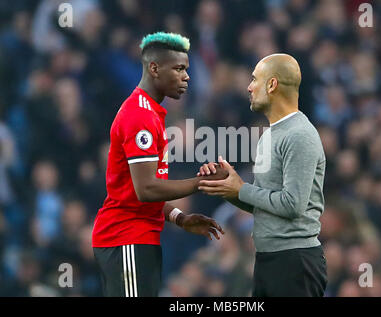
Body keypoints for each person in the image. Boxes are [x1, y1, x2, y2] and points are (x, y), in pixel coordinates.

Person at [92, 32, 227, 297]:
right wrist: (202, 182)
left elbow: (136, 192)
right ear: (154, 68)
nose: (186, 77)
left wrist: (179, 217)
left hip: (138, 237)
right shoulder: (139, 116)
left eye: (186, 69)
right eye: (178, 69)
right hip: (125, 237)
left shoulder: (151, 114)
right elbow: (146, 190)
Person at [197, 54, 327, 297]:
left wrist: (242, 189)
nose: (248, 87)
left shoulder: (299, 135)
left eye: (254, 79)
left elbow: (292, 204)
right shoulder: (270, 135)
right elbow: (265, 204)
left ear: (272, 85)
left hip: (294, 262)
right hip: (270, 258)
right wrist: (227, 189)